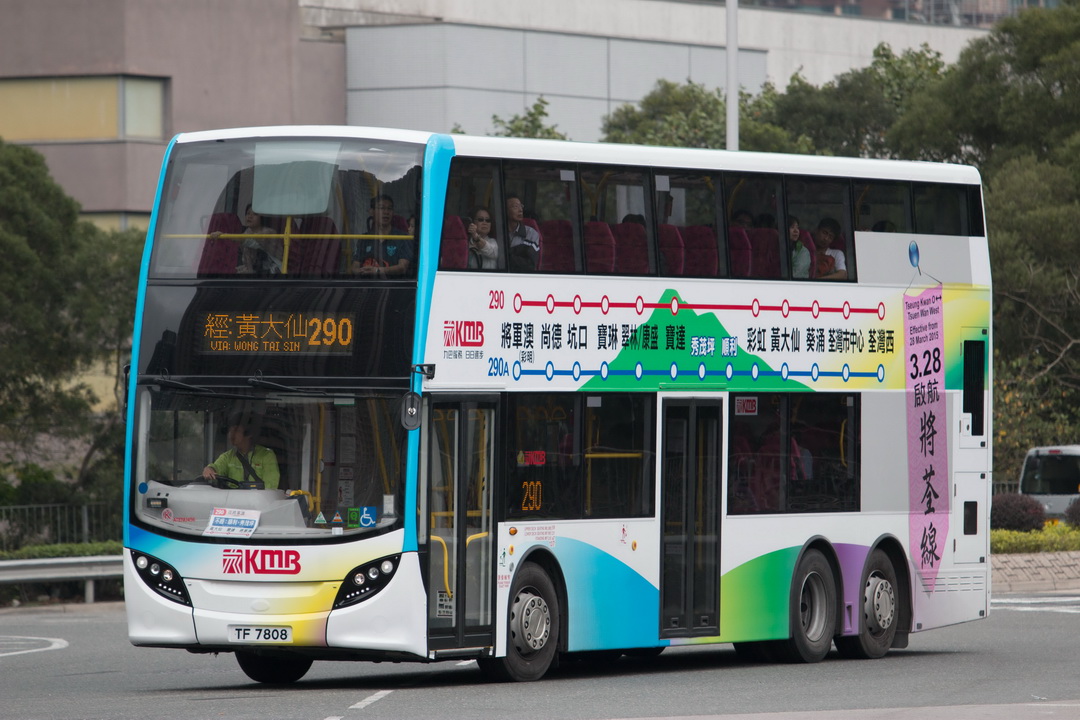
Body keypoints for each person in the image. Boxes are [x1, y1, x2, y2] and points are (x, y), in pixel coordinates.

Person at [201, 413, 280, 490]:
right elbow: (216, 467)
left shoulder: (266, 455)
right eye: (230, 430)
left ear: (249, 433)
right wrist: (209, 469)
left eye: (236, 430)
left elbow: (270, 487)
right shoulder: (228, 456)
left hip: (257, 502)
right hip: (233, 501)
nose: (231, 434)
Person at [352, 194, 414, 278]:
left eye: (389, 209)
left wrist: (377, 271)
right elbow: (354, 266)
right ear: (371, 212)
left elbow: (402, 267)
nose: (386, 212)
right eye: (382, 208)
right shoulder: (364, 239)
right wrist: (362, 271)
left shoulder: (403, 237)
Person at [237, 204, 281, 274]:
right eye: (248, 213)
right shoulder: (247, 231)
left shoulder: (269, 232)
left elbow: (247, 240)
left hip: (276, 269)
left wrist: (225, 235)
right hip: (258, 269)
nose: (250, 216)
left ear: (262, 217)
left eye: (255, 214)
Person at [506, 194, 540, 271]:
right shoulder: (498, 232)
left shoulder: (531, 234)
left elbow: (530, 264)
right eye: (515, 206)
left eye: (521, 206)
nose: (520, 210)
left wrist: (507, 256)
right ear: (505, 210)